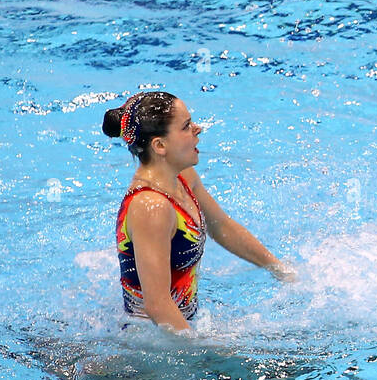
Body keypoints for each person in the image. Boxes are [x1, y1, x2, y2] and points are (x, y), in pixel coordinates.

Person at [101, 91, 296, 332]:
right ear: (160, 145)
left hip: (179, 329)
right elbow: (157, 305)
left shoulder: (181, 177)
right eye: (185, 126)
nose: (198, 129)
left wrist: (280, 270)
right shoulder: (151, 206)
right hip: (150, 344)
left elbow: (222, 226)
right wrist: (201, 349)